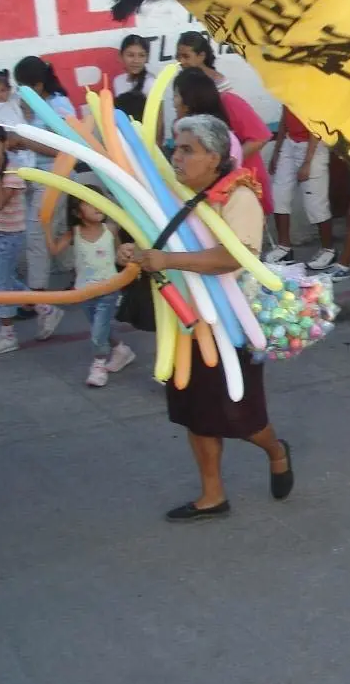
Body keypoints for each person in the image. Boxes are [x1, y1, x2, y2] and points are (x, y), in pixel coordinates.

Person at [118, 115, 292, 521]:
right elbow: (154, 241)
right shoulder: (172, 194)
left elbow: (235, 256)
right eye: (175, 148)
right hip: (184, 324)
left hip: (230, 325)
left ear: (214, 157)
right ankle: (212, 495)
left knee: (242, 417)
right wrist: (134, 252)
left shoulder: (238, 194)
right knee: (195, 415)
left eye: (187, 149)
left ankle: (276, 449)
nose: (176, 157)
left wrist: (168, 259)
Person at [0, 122, 64, 355]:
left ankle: (7, 335)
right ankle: (46, 309)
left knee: (2, 285)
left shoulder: (13, 172)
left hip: (9, 236)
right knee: (8, 280)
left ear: (5, 145)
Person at [45, 192, 136, 386]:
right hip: (85, 291)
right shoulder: (74, 233)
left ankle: (98, 365)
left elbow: (122, 255)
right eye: (89, 203)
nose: (97, 206)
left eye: (99, 201)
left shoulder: (111, 229)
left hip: (109, 288)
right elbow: (54, 250)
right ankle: (121, 351)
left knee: (97, 330)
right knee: (100, 326)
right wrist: (45, 226)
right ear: (77, 212)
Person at [12, 56, 74, 310]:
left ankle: (36, 294)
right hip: (36, 178)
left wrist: (24, 139)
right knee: (56, 233)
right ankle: (83, 277)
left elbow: (67, 149)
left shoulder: (59, 104)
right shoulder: (30, 104)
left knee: (37, 234)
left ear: (37, 85)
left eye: (22, 86)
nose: (19, 91)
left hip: (54, 178)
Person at [172, 68, 275, 219]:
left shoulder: (227, 113)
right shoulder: (182, 129)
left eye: (175, 96)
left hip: (226, 204)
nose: (173, 102)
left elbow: (261, 136)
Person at [267, 105, 336, 270]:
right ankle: (284, 248)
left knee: (315, 203)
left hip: (313, 147)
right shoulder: (287, 87)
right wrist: (277, 152)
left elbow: (317, 128)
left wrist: (307, 162)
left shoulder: (313, 91)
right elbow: (284, 120)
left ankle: (329, 250)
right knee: (279, 195)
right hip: (290, 143)